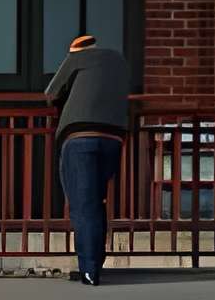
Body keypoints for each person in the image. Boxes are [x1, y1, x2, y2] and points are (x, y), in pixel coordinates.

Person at [44, 31, 131, 288]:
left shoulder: (78, 57)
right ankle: (96, 262)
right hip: (113, 138)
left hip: (80, 135)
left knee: (83, 205)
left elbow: (51, 93)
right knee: (96, 201)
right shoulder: (119, 62)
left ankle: (89, 270)